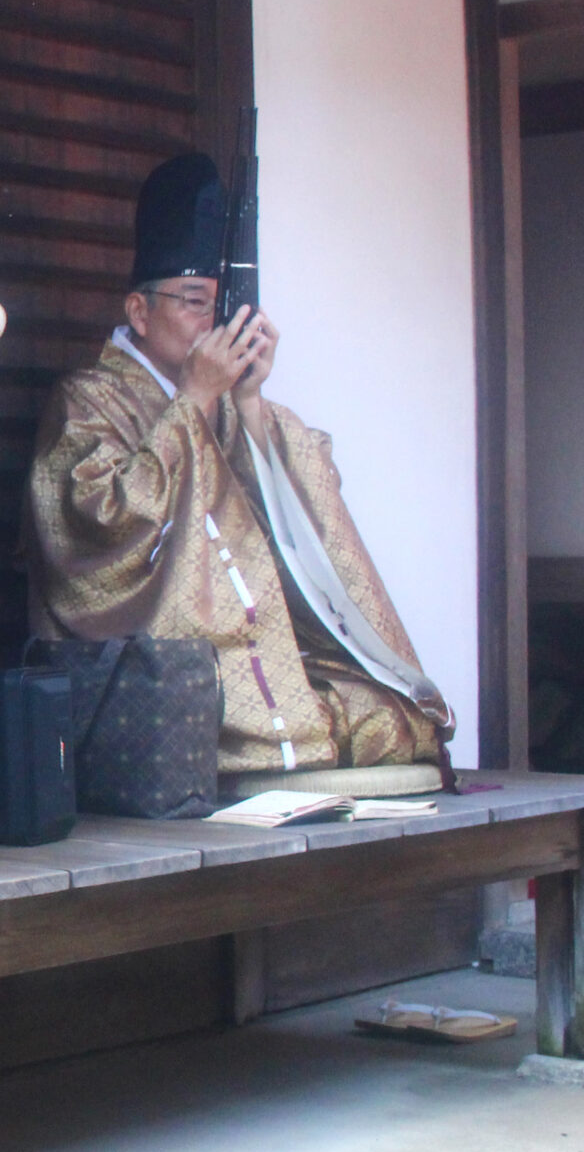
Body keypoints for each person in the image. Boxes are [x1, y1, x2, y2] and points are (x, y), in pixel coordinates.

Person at [26, 152, 452, 788]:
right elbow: (98, 527)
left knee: (398, 715)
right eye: (195, 302)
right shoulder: (86, 400)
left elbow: (300, 527)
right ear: (139, 313)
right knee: (275, 731)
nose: (213, 321)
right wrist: (193, 400)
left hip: (263, 649)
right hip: (163, 666)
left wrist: (248, 401)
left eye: (222, 305)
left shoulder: (226, 403)